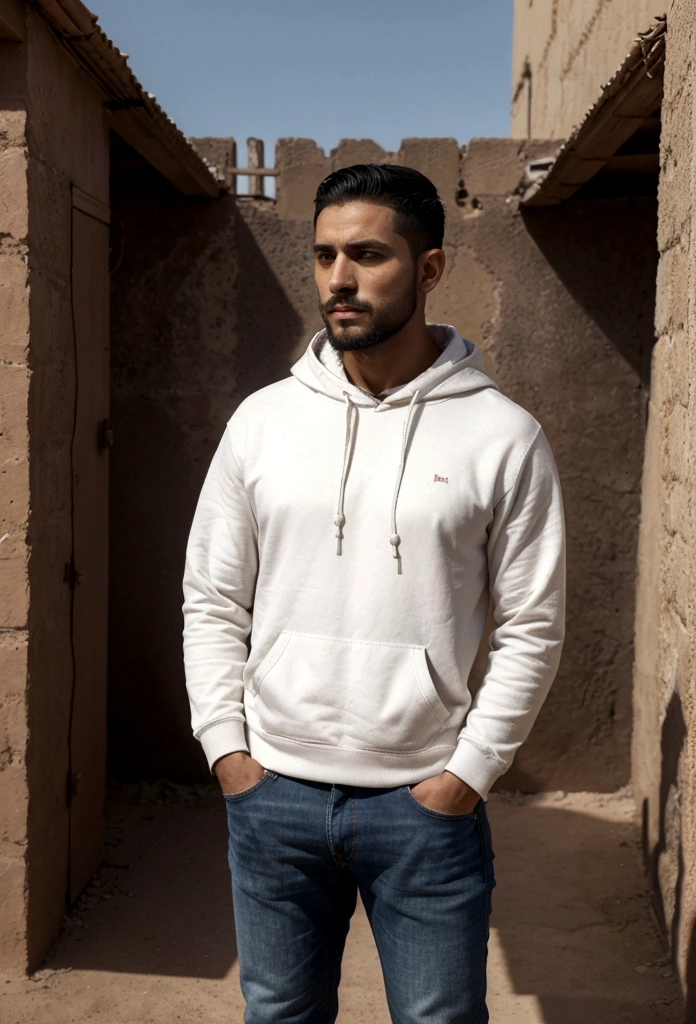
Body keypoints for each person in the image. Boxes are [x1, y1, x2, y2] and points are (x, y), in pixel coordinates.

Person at [183, 164, 565, 1024]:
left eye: (366, 255)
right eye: (323, 257)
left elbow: (533, 625)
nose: (338, 280)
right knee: (278, 1013)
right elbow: (210, 595)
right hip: (272, 789)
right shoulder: (264, 421)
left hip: (424, 805)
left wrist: (466, 775)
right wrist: (227, 751)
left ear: (430, 270)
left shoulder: (502, 435)